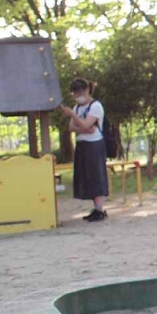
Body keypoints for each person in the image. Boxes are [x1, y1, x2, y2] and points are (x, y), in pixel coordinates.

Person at [59, 78, 108, 222]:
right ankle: (95, 208)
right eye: (76, 91)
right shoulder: (77, 107)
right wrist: (84, 129)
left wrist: (75, 118)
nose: (79, 94)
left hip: (95, 144)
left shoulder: (95, 106)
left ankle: (100, 209)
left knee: (96, 175)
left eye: (81, 90)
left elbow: (87, 125)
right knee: (87, 176)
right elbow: (72, 127)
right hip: (82, 144)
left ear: (88, 90)